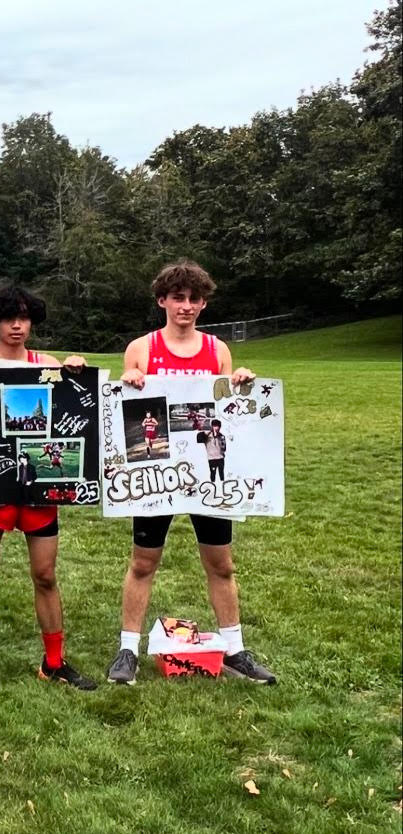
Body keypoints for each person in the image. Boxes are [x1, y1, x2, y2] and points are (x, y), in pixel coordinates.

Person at [107, 259, 275, 685]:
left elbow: (227, 409)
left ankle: (235, 649)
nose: (186, 306)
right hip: (155, 473)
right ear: (162, 300)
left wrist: (238, 382)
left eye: (194, 299)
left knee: (221, 564)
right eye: (177, 298)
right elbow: (128, 410)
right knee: (143, 562)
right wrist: (130, 380)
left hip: (206, 473)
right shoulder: (142, 348)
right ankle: (128, 649)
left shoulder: (217, 350)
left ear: (203, 304)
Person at [0, 285, 97, 692]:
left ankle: (53, 662)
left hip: (38, 485)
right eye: (9, 317)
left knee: (46, 575)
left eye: (25, 317)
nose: (17, 325)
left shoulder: (45, 363)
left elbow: (78, 405)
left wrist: (75, 370)